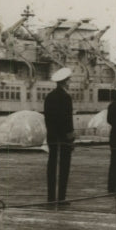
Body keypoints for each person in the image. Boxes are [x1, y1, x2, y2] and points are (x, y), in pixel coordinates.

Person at [44, 67, 75, 204]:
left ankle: (51, 197)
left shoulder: (49, 97)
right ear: (64, 82)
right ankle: (61, 197)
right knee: (64, 167)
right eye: (69, 80)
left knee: (51, 166)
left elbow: (48, 118)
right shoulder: (66, 97)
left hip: (52, 136)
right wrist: (70, 136)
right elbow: (67, 119)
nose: (70, 82)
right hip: (64, 138)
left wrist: (52, 132)